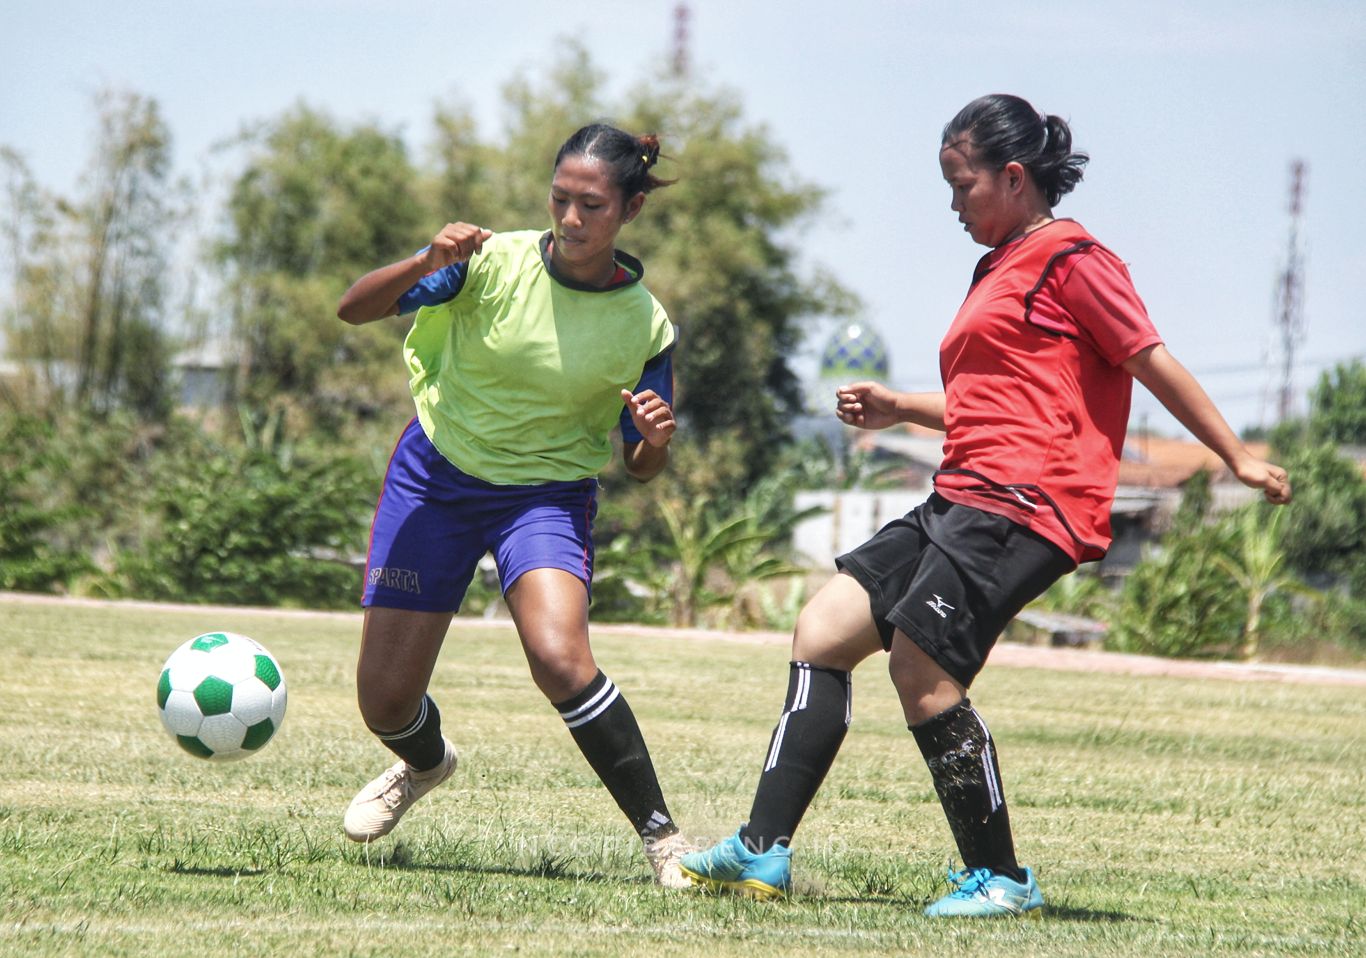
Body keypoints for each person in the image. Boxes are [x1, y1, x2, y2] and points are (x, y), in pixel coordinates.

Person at [679, 94, 1293, 916]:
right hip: (964, 492)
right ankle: (761, 851)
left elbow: (1152, 361)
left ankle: (1000, 879)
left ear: (1012, 176)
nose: (954, 205)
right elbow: (996, 402)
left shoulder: (1075, 261)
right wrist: (903, 407)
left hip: (1026, 503)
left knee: (919, 666)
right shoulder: (998, 267)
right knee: (823, 630)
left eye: (961, 185)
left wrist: (1237, 456)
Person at [334, 123, 693, 887]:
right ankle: (424, 764)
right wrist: (426, 261)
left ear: (629, 210)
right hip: (437, 477)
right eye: (560, 199)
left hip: (546, 494)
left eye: (591, 206)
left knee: (562, 659)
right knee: (384, 702)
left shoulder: (645, 324)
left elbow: (640, 464)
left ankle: (664, 842)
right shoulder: (486, 264)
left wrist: (656, 440)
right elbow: (353, 310)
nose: (570, 219)